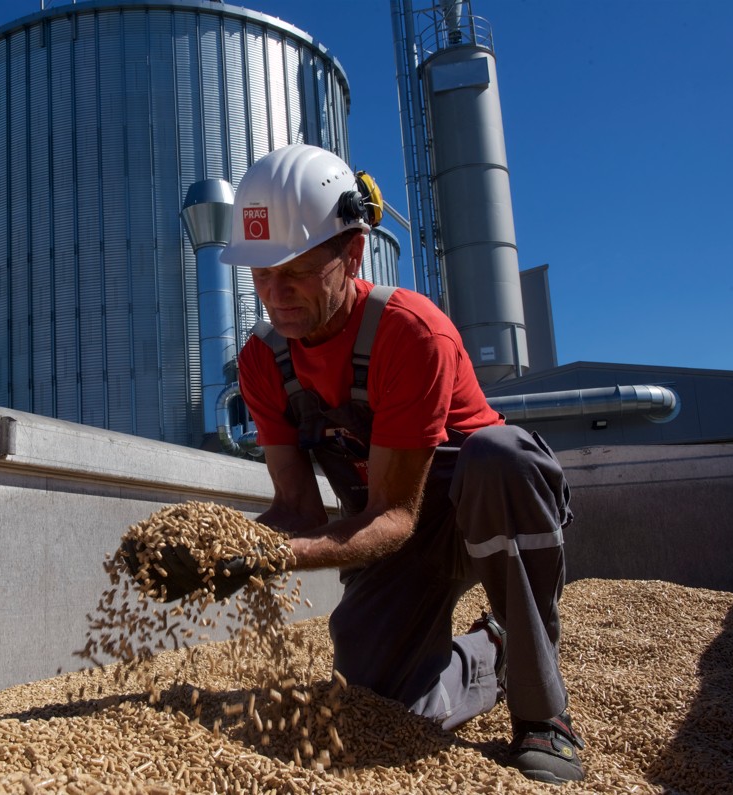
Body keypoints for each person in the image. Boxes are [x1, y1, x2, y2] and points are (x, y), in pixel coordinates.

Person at [218, 143, 585, 785]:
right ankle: (489, 653)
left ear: (351, 254)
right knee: (381, 703)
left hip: (486, 517)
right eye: (260, 276)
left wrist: (274, 558)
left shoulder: (409, 333)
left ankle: (541, 714)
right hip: (392, 529)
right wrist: (227, 542)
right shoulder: (262, 363)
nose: (276, 295)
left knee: (500, 457)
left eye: (295, 271)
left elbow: (396, 513)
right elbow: (298, 510)